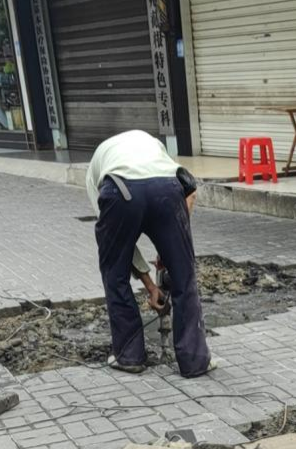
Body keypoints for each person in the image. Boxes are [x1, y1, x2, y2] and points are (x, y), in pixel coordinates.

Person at [86, 130, 210, 378]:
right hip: (167, 189)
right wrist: (171, 254)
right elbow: (190, 194)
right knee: (184, 276)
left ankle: (129, 355)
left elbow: (120, 249)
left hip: (120, 191)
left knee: (115, 275)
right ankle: (194, 361)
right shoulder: (155, 147)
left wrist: (149, 283)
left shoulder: (96, 170)